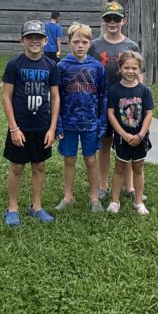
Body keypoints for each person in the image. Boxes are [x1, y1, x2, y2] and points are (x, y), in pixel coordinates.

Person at [1, 19, 61, 227]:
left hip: (42, 126)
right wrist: (13, 128)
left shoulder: (51, 66)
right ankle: (12, 208)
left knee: (39, 166)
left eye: (38, 38)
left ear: (45, 41)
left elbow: (55, 98)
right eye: (29, 38)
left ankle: (36, 207)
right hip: (20, 126)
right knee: (17, 167)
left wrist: (52, 128)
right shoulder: (14, 65)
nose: (34, 41)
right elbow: (6, 97)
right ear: (22, 40)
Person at [89, 1, 140, 203]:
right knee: (104, 144)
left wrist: (140, 101)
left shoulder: (131, 46)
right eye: (108, 18)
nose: (112, 22)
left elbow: (137, 74)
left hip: (126, 104)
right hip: (101, 102)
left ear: (123, 21)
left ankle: (129, 186)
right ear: (102, 21)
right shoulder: (94, 46)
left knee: (125, 143)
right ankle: (103, 185)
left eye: (116, 19)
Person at [55, 23, 107, 214]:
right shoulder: (61, 67)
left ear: (90, 43)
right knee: (69, 159)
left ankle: (94, 198)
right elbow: (56, 97)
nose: (80, 45)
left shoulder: (96, 67)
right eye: (76, 41)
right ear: (68, 43)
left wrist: (102, 122)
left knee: (91, 160)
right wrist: (58, 124)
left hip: (90, 123)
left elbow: (103, 96)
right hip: (68, 123)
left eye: (84, 42)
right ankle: (68, 196)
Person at [106, 51, 153, 216]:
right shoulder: (114, 90)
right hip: (121, 138)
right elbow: (111, 113)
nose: (130, 71)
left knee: (138, 168)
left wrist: (140, 134)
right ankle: (114, 201)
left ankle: (138, 201)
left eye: (134, 68)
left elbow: (148, 113)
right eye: (126, 67)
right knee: (119, 168)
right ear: (120, 68)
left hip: (140, 138)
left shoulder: (144, 91)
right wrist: (123, 134)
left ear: (139, 69)